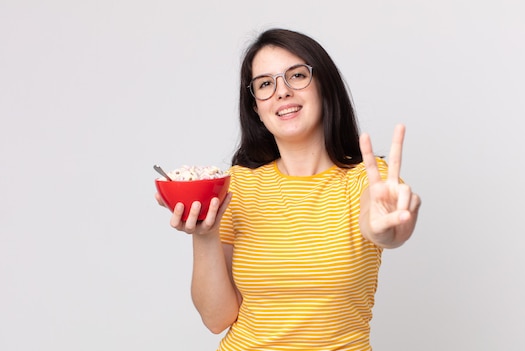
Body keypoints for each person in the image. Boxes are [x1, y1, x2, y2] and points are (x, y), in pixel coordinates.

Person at [155, 28, 421, 351]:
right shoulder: (236, 185)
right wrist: (204, 235)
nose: (282, 92)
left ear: (324, 87)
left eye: (296, 76)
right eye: (265, 84)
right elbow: (217, 319)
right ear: (256, 107)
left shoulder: (368, 179)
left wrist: (389, 232)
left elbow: (377, 223)